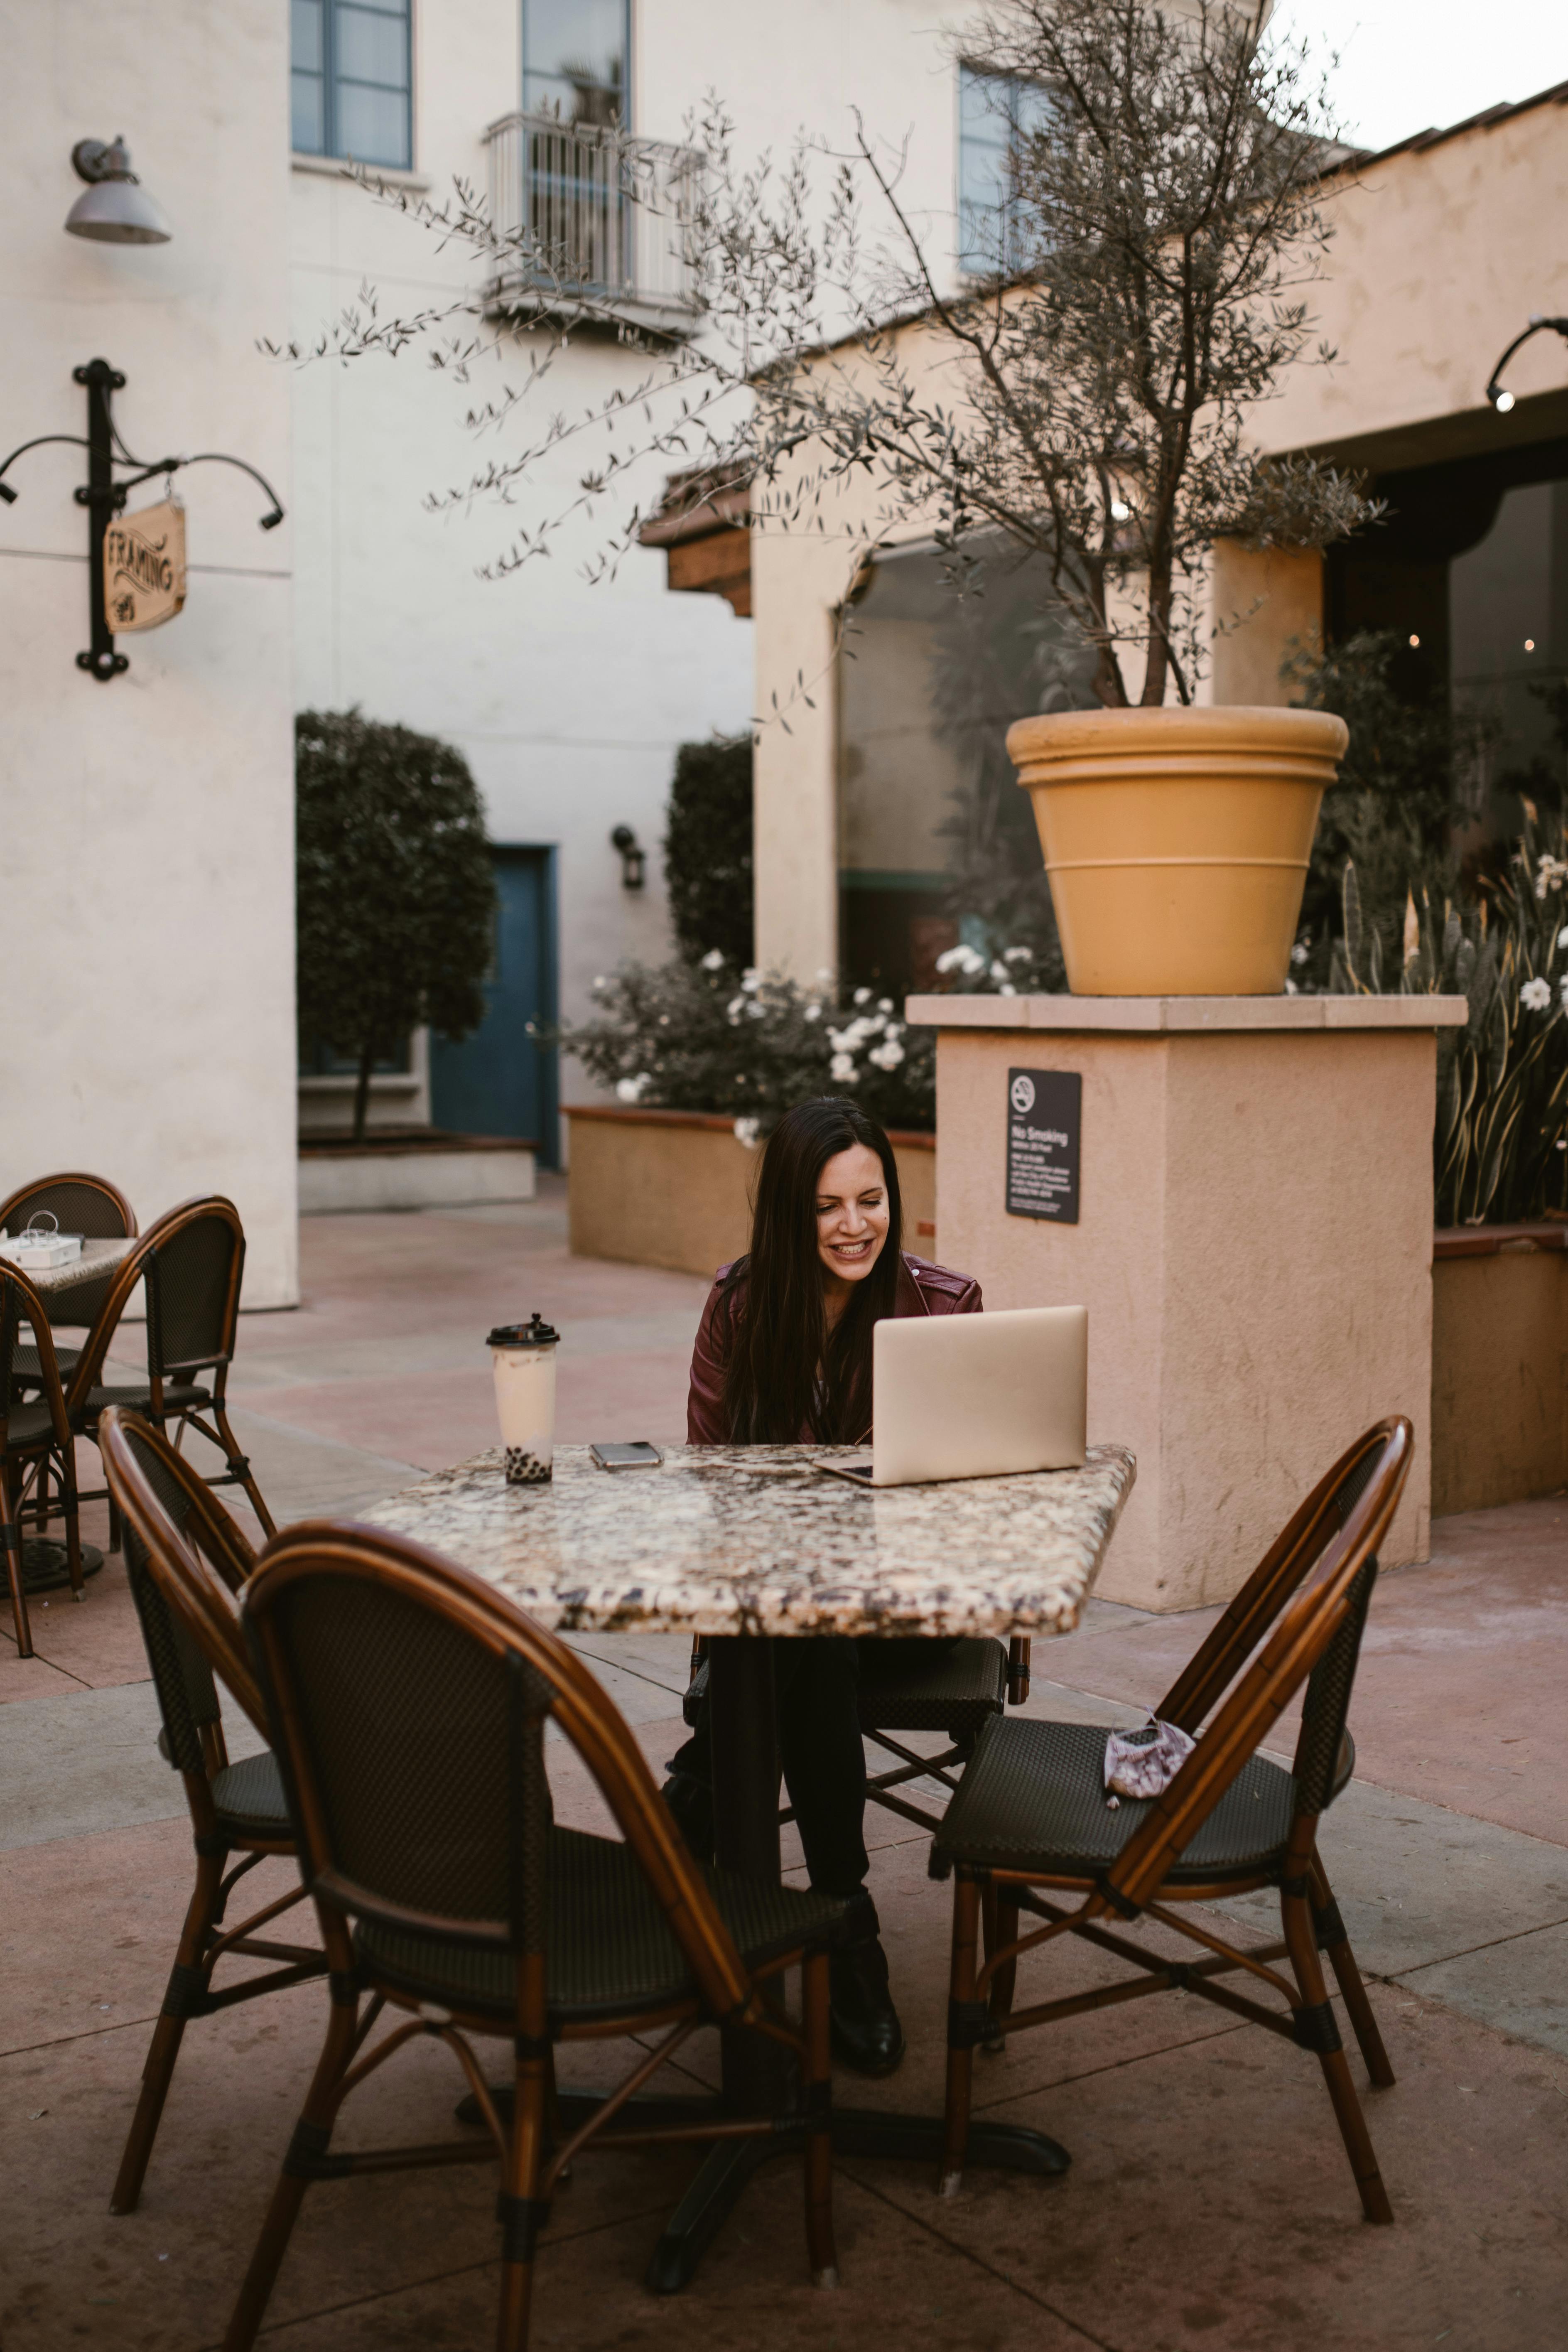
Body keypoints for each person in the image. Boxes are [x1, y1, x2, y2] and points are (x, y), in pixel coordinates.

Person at [666, 1095, 982, 2077]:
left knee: (795, 1646)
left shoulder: (942, 1306)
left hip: (905, 1604)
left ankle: (696, 1800)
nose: (854, 1225)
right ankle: (848, 1922)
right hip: (782, 1608)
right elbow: (713, 1481)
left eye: (871, 1198)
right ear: (788, 1216)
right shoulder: (740, 1305)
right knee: (802, 1640)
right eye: (826, 1205)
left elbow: (975, 1486)